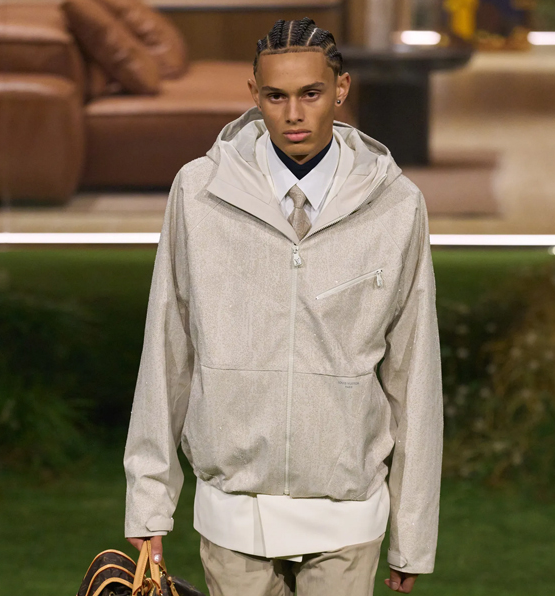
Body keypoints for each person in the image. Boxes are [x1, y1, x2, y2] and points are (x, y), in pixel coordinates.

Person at [123, 17, 443, 596]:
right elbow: (167, 347)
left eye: (310, 94)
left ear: (341, 89)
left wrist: (414, 534)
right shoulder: (199, 192)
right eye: (276, 96)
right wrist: (149, 502)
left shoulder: (395, 204)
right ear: (254, 94)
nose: (294, 114)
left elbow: (415, 375)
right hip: (232, 511)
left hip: (348, 513)